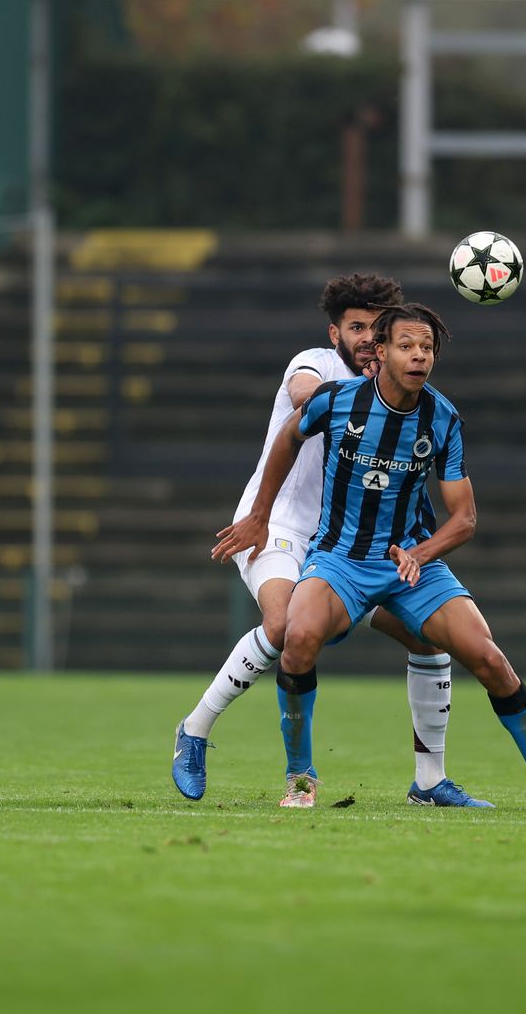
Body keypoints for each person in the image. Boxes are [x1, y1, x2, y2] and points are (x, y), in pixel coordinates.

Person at [215, 302, 526, 814]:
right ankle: (300, 779)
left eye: (427, 348)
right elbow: (287, 438)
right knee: (297, 639)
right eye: (407, 346)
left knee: (489, 658)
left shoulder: (442, 417)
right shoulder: (337, 400)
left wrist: (421, 552)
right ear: (383, 351)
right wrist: (260, 514)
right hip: (340, 558)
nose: (419, 357)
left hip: (411, 564)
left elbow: (465, 519)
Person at [173, 275, 489, 810]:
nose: (366, 338)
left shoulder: (401, 386)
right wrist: (354, 395)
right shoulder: (317, 363)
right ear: (335, 331)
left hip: (347, 548)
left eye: (375, 328)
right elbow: (303, 394)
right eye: (356, 327)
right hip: (276, 527)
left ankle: (430, 781)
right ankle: (195, 730)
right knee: (283, 627)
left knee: (429, 638)